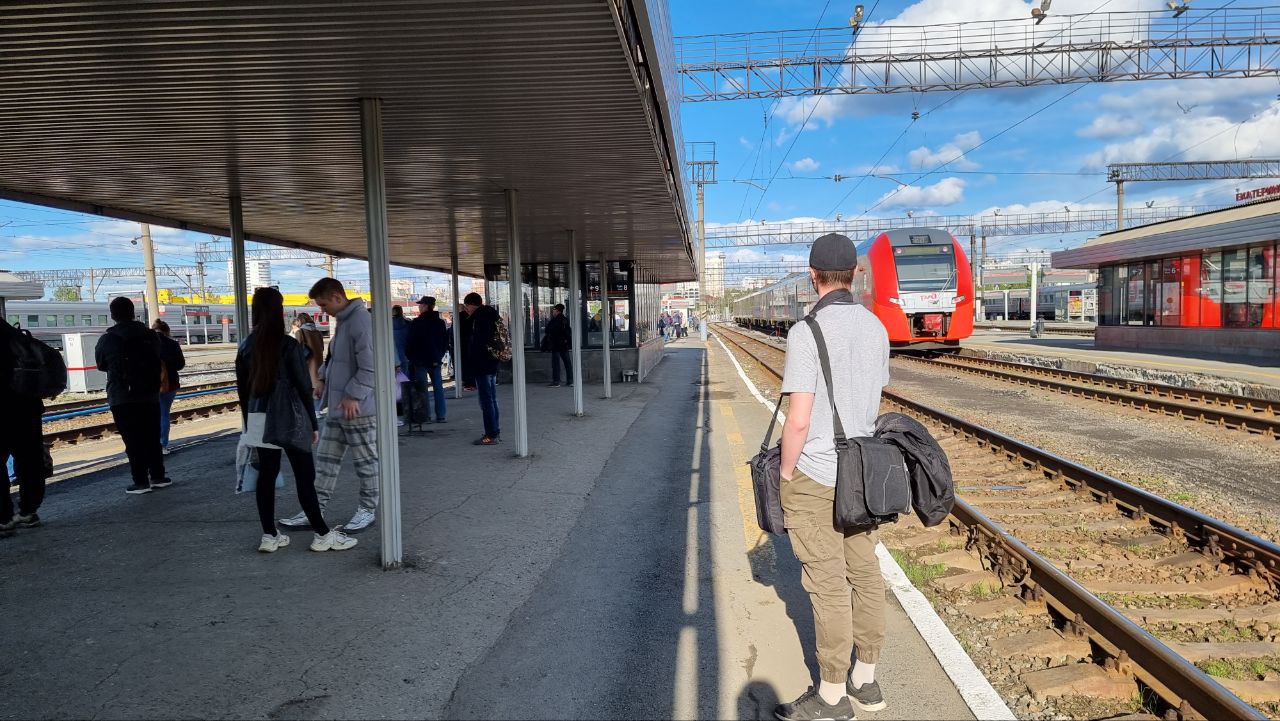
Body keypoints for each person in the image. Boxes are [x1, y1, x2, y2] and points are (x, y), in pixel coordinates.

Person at [775, 233, 891, 721]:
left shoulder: (806, 332)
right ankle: (866, 682)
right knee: (864, 572)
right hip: (862, 474)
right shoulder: (877, 328)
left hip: (817, 475)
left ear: (813, 275)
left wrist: (785, 472)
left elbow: (798, 419)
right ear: (856, 275)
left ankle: (830, 695)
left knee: (826, 584)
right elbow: (871, 399)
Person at [237, 288, 357, 553]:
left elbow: (242, 391)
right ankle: (322, 534)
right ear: (279, 312)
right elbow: (303, 387)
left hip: (259, 417)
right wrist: (313, 424)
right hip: (291, 418)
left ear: (255, 312)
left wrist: (249, 425)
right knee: (304, 476)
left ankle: (269, 536)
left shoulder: (246, 345)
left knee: (265, 476)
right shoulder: (288, 345)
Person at [278, 278, 379, 533]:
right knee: (325, 461)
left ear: (337, 297)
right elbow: (335, 359)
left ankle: (368, 509)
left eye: (323, 304)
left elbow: (371, 366)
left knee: (366, 463)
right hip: (338, 407)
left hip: (358, 409)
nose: (322, 311)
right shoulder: (344, 322)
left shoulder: (360, 322)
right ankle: (314, 509)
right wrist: (322, 377)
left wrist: (353, 395)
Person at [96, 297, 171, 495]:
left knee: (133, 440)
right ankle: (158, 476)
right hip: (149, 394)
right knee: (152, 437)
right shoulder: (151, 335)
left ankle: (140, 481)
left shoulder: (108, 339)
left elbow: (101, 364)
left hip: (122, 396)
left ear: (113, 315)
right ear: (133, 312)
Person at [0, 317, 49, 535]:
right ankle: (29, 511)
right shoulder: (15, 335)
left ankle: (3, 518)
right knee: (30, 460)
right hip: (27, 408)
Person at [462, 292, 501, 446]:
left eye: (467, 306)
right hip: (492, 363)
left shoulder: (479, 318)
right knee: (492, 400)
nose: (466, 309)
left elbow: (477, 345)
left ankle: (491, 435)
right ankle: (495, 431)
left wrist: (470, 370)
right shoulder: (491, 314)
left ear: (471, 304)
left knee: (486, 401)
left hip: (482, 364)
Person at [406, 296, 450, 422]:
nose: (419, 307)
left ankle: (426, 415)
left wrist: (410, 356)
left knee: (423, 389)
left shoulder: (416, 323)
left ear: (425, 306)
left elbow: (410, 342)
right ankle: (441, 415)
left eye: (420, 305)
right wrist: (439, 355)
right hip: (435, 359)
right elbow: (444, 341)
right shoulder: (440, 323)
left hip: (420, 360)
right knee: (438, 387)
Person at [152, 320, 186, 455]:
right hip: (170, 384)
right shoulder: (172, 344)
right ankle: (162, 445)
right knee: (164, 413)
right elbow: (180, 364)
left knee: (151, 415)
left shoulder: (146, 343)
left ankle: (151, 445)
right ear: (167, 331)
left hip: (150, 385)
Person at [291, 313, 325, 415]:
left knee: (307, 385)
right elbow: (322, 347)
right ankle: (318, 410)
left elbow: (296, 348)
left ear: (300, 321)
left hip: (307, 363)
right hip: (318, 362)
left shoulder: (301, 332)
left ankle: (310, 411)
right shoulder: (318, 332)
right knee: (316, 385)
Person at [542, 303, 572, 387]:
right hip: (564, 344)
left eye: (554, 310)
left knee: (555, 363)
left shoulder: (555, 320)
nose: (553, 311)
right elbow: (568, 332)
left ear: (557, 311)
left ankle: (556, 381)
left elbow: (549, 330)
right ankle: (570, 380)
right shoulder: (565, 319)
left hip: (556, 344)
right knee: (567, 362)